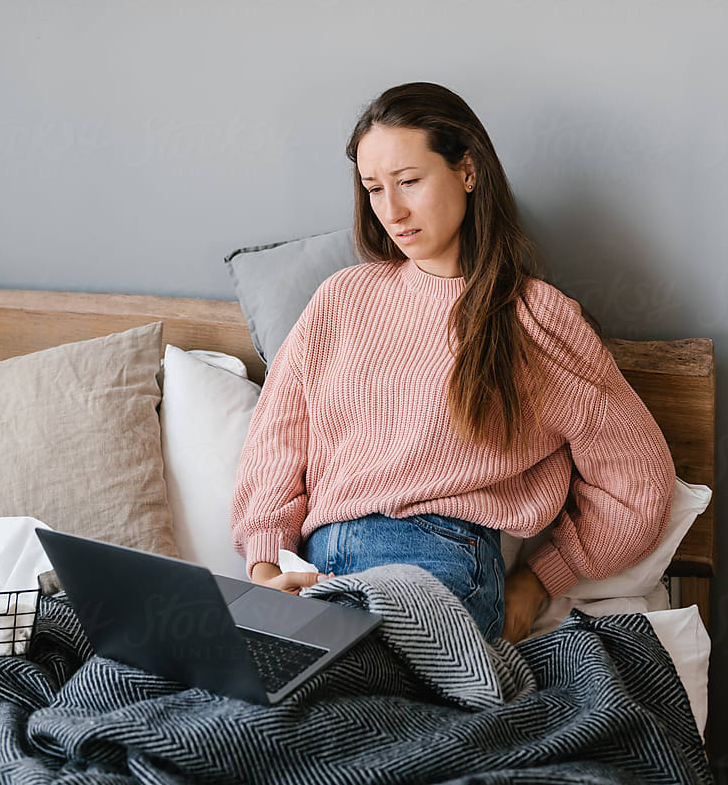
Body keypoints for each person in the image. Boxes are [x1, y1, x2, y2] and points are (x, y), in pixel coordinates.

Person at [230, 82, 675, 642]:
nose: (391, 210)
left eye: (409, 181)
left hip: (439, 567)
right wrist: (270, 570)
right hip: (318, 568)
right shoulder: (343, 297)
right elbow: (276, 442)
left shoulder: (535, 319)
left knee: (342, 704)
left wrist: (538, 579)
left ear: (467, 171)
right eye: (373, 189)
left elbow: (637, 480)